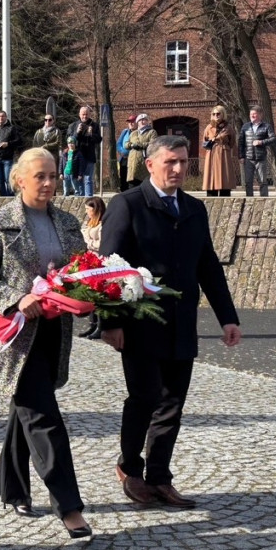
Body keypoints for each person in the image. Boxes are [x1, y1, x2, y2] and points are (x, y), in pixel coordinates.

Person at [100, 135, 242, 508]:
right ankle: (130, 469)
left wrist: (228, 318)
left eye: (182, 162)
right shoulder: (127, 205)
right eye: (170, 162)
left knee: (173, 404)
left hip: (181, 323)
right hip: (140, 324)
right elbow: (108, 269)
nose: (178, 169)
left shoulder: (194, 209)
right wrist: (111, 322)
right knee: (145, 398)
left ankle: (159, 477)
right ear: (150, 165)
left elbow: (208, 267)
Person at [0, 148, 92, 538]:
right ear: (19, 179)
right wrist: (16, 299)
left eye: (53, 175)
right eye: (40, 176)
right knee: (42, 416)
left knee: (26, 410)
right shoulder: (1, 223)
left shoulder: (69, 223)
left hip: (55, 331)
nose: (50, 183)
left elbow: (83, 269)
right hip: (17, 335)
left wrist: (89, 296)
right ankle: (69, 506)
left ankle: (12, 486)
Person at [78, 196, 106, 340]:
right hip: (90, 261)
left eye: (88, 209)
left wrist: (88, 242)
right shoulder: (90, 222)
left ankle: (100, 326)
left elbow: (101, 244)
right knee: (90, 294)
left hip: (99, 262)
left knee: (98, 295)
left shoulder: (102, 224)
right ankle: (92, 324)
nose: (87, 212)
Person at [239, 105, 276, 197]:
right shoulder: (245, 127)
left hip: (261, 158)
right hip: (248, 158)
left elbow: (274, 139)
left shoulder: (266, 126)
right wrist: (241, 156)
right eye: (251, 114)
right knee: (248, 181)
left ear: (260, 115)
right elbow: (241, 142)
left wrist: (261, 142)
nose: (252, 116)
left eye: (254, 114)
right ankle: (249, 199)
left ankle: (264, 199)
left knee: (262, 181)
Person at [202, 105, 238, 197]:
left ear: (223, 114)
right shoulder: (208, 127)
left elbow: (232, 141)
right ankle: (211, 195)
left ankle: (225, 193)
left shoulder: (228, 127)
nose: (216, 116)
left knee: (225, 179)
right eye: (213, 114)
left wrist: (224, 147)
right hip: (211, 154)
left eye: (218, 114)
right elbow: (205, 140)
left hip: (224, 153)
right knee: (211, 179)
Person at [68, 106, 102, 197]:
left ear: (89, 114)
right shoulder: (73, 126)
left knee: (88, 179)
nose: (85, 116)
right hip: (77, 157)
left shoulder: (95, 125)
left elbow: (99, 139)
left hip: (89, 156)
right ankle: (79, 197)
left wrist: (91, 134)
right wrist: (77, 132)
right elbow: (69, 139)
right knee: (77, 178)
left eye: (86, 114)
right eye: (83, 114)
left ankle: (89, 199)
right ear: (79, 115)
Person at [0, 110, 18, 196]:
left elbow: (19, 141)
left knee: (8, 179)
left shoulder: (11, 128)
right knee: (0, 180)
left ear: (6, 117)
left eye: (2, 116)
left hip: (7, 158)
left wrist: (8, 144)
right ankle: (3, 197)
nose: (1, 118)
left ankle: (10, 197)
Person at [126, 114, 157, 188]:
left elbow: (153, 143)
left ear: (147, 121)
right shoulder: (134, 133)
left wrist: (140, 145)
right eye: (140, 120)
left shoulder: (152, 132)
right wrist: (131, 145)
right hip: (133, 162)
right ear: (137, 122)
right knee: (132, 186)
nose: (142, 121)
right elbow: (126, 143)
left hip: (143, 161)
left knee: (143, 184)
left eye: (145, 120)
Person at [116, 115, 135, 192]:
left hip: (133, 159)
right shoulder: (125, 132)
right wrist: (122, 152)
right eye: (129, 122)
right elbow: (119, 143)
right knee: (123, 177)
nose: (131, 123)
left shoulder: (138, 133)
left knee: (132, 179)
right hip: (124, 158)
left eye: (132, 122)